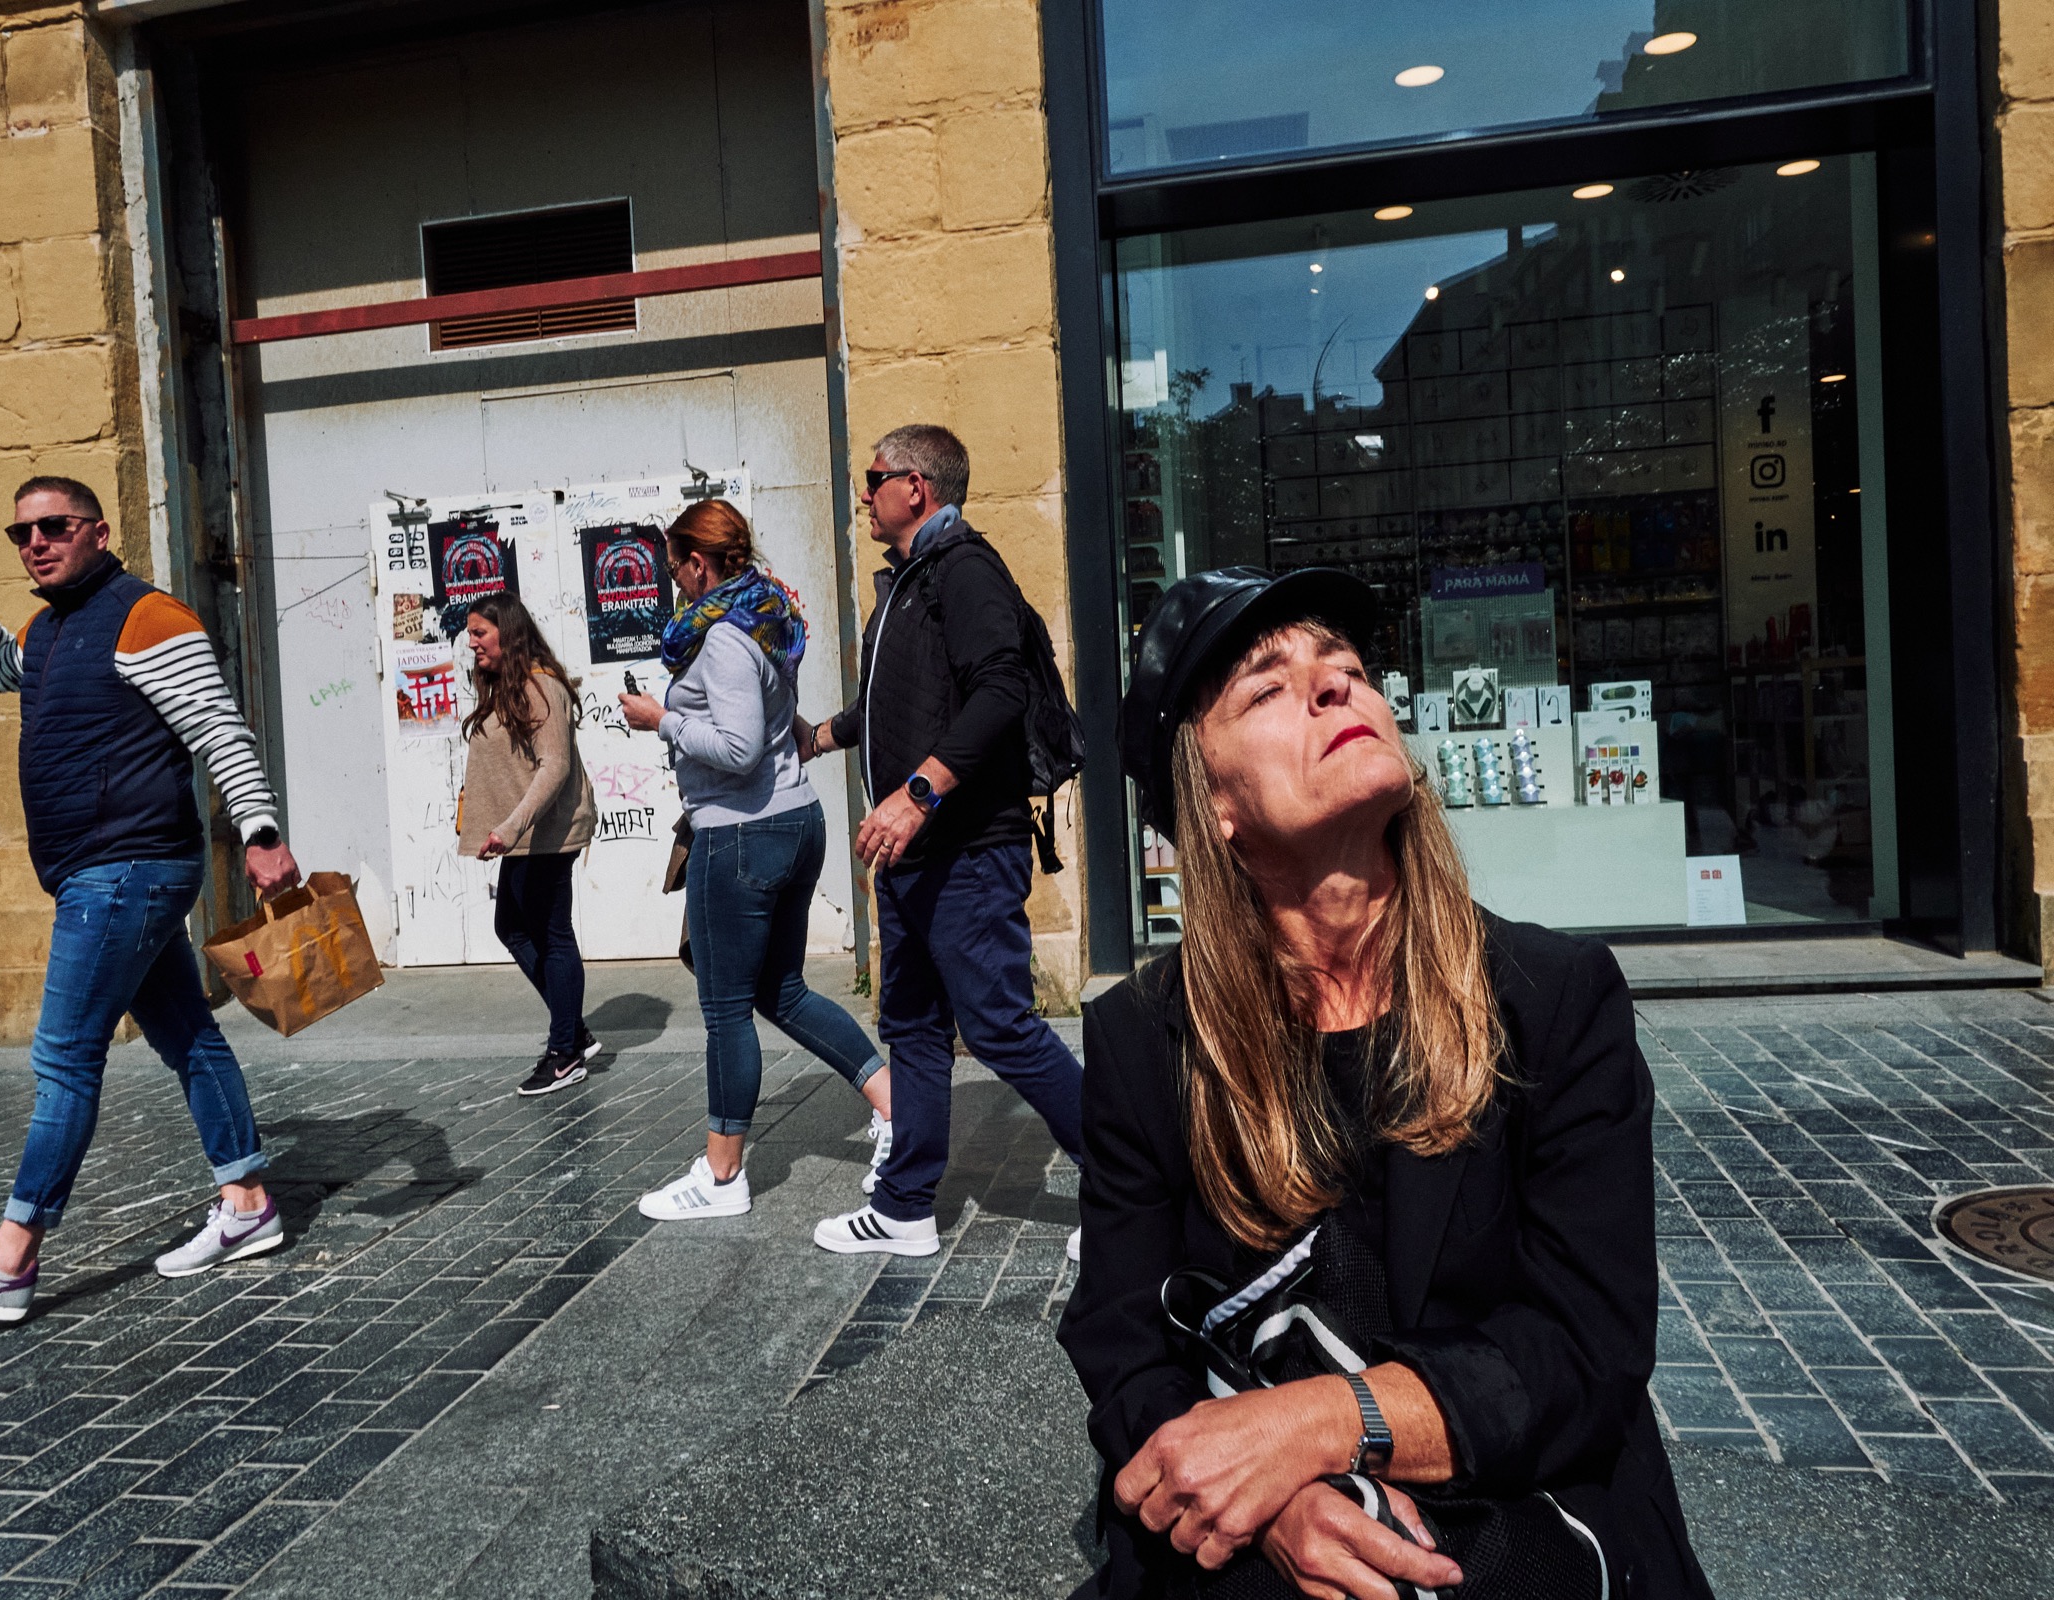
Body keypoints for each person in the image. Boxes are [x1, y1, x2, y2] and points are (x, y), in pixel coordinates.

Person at [1057, 567, 1712, 1600]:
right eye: (1268, 688)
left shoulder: (1554, 999)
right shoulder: (1146, 1039)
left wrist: (1319, 1424)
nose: (1334, 685)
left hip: (1518, 1499)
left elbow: (1584, 1351)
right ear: (1212, 803)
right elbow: (1124, 1341)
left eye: (1349, 667)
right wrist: (1271, 1498)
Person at [0, 476, 298, 1323]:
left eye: (55, 526)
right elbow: (0, 670)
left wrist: (259, 830)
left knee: (65, 1059)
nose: (36, 543)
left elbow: (218, 726)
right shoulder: (47, 626)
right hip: (102, 872)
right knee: (188, 1035)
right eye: (22, 532)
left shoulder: (148, 617)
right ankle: (249, 1203)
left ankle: (10, 1260)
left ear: (99, 533)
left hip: (126, 867)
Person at [799, 424, 1083, 1259]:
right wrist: (818, 737)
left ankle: (1133, 1190)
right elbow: (900, 702)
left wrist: (918, 794)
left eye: (874, 477)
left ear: (915, 487)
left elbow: (1000, 691)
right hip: (915, 855)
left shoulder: (964, 570)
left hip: (966, 848)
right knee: (915, 1026)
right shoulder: (910, 579)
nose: (864, 494)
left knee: (998, 1027)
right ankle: (904, 1207)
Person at [619, 500, 894, 1219]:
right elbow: (772, 722)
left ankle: (721, 1177)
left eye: (675, 568)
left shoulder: (723, 637)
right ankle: (894, 1104)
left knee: (725, 1010)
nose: (673, 582)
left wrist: (662, 719)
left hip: (742, 832)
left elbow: (739, 750)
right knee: (783, 991)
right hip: (792, 821)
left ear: (698, 564)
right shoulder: (767, 613)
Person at [459, 591, 600, 1096]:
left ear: (509, 633)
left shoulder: (540, 686)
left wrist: (511, 826)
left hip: (547, 833)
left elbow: (554, 766)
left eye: (480, 633)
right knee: (513, 926)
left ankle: (565, 1054)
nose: (472, 643)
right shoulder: (507, 686)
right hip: (524, 836)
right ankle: (572, 1030)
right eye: (470, 634)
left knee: (550, 933)